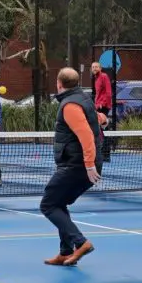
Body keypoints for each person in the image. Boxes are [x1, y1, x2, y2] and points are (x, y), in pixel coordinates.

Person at [41, 67, 104, 267]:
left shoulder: (70, 106)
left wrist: (88, 164)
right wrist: (104, 120)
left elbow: (85, 135)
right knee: (58, 203)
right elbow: (96, 118)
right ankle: (65, 252)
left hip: (76, 166)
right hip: (79, 164)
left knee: (48, 204)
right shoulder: (82, 98)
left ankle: (81, 243)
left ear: (59, 84)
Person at [91, 61, 112, 161]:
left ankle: (106, 154)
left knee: (103, 128)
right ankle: (103, 152)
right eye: (93, 67)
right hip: (98, 106)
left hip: (103, 106)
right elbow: (98, 94)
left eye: (96, 67)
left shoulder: (104, 76)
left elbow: (108, 92)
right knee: (101, 128)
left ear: (100, 68)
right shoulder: (96, 79)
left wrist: (102, 104)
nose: (94, 68)